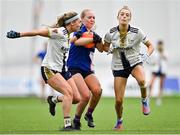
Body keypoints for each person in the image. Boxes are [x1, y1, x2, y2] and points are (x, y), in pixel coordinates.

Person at [6, 11, 81, 131]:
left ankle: (53, 99)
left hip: (63, 70)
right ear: (71, 23)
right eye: (78, 21)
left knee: (76, 98)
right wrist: (19, 34)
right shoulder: (60, 32)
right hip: (49, 69)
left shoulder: (68, 35)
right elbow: (38, 32)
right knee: (68, 94)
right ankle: (67, 125)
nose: (80, 23)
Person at [103, 6, 154, 130]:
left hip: (134, 62)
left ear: (130, 18)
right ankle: (119, 121)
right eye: (122, 14)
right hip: (118, 66)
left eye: (127, 15)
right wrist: (109, 49)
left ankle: (144, 100)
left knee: (142, 81)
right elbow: (104, 47)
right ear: (118, 17)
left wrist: (147, 54)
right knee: (119, 101)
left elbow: (150, 45)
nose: (124, 16)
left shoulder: (137, 32)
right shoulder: (110, 32)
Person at [67, 9, 103, 130]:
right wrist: (93, 39)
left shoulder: (92, 33)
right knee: (85, 96)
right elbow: (77, 42)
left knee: (97, 91)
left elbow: (102, 48)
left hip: (87, 69)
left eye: (93, 17)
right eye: (89, 17)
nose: (92, 19)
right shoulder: (79, 30)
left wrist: (106, 40)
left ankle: (89, 114)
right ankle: (76, 121)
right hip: (74, 67)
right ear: (82, 19)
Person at [149, 40, 167, 105]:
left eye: (161, 45)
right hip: (155, 69)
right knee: (151, 84)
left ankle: (159, 99)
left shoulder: (165, 52)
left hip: (162, 70)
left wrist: (161, 53)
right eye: (159, 44)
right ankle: (149, 97)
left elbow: (166, 58)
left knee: (161, 85)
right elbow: (151, 61)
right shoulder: (154, 52)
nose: (160, 46)